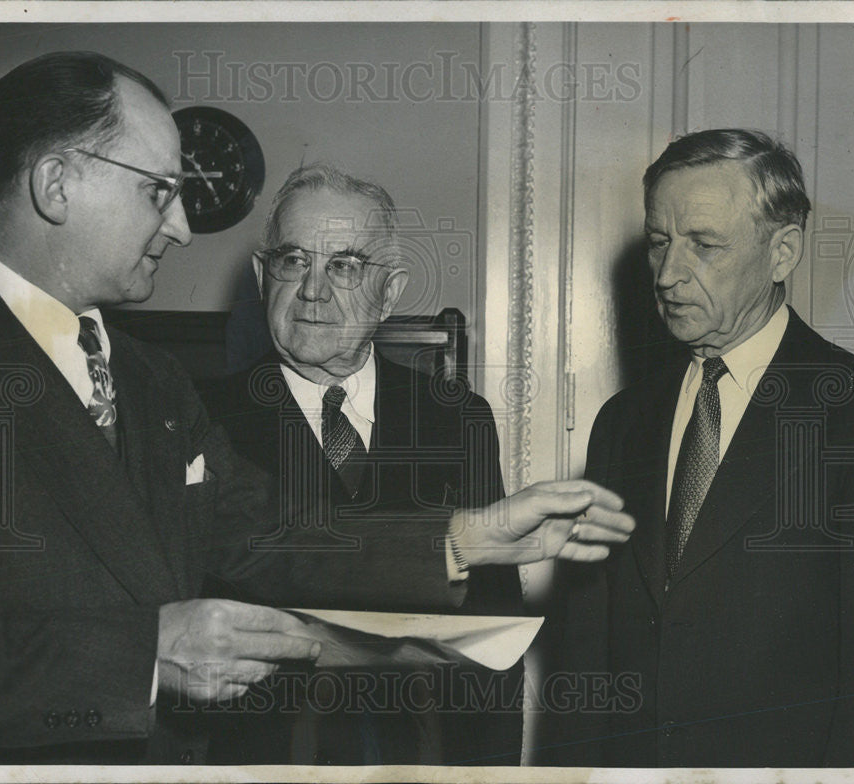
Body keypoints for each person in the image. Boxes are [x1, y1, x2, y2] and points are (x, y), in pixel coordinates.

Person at [0, 51, 324, 765]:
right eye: (159, 191)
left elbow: (273, 536)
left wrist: (463, 540)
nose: (182, 230)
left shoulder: (153, 377)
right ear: (57, 184)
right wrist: (143, 660)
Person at [206, 164, 634, 765]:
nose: (313, 290)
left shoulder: (455, 419)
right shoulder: (199, 420)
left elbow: (493, 636)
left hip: (423, 756)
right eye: (294, 260)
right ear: (261, 273)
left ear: (392, 291)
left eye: (346, 266)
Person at [540, 129, 854, 767]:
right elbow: (586, 651)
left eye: (705, 245)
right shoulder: (622, 422)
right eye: (659, 242)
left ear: (783, 252)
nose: (668, 274)